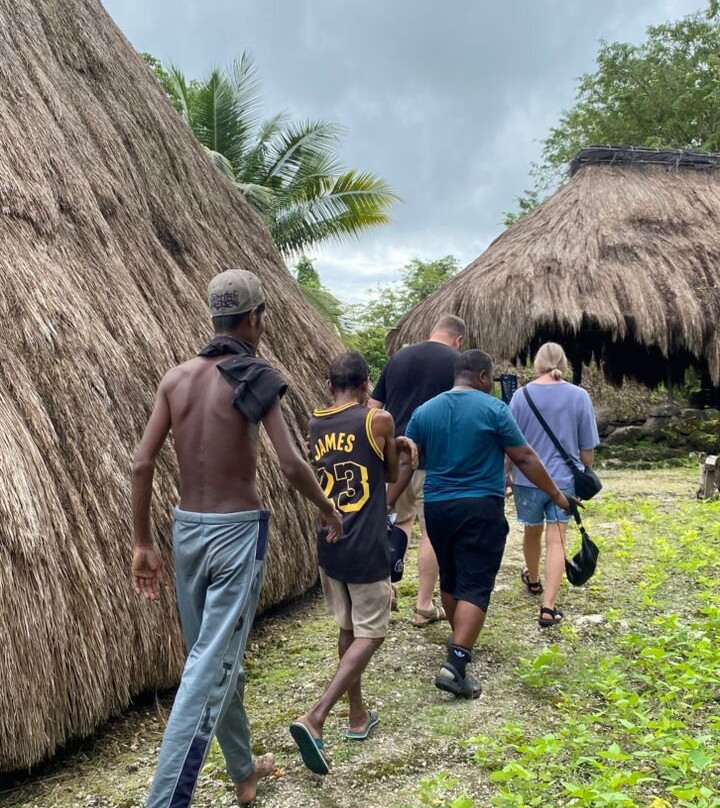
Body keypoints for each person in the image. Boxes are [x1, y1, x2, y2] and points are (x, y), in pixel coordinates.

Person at [131, 269, 342, 808]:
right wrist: (327, 508)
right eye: (262, 318)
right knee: (208, 666)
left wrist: (142, 543)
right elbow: (290, 464)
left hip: (186, 531)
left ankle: (244, 771)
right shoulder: (255, 377)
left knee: (215, 658)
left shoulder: (176, 379)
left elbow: (142, 462)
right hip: (236, 534)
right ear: (253, 318)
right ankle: (165, 800)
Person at [406, 350, 572, 699]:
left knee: (451, 577)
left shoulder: (424, 411)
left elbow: (408, 460)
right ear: (483, 376)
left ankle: (459, 641)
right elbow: (523, 456)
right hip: (480, 505)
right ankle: (456, 664)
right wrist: (557, 495)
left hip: (437, 507)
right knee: (476, 582)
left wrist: (389, 503)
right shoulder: (494, 409)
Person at [290, 352, 416, 775]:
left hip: (330, 540)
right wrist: (402, 449)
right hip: (366, 543)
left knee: (348, 628)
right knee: (372, 633)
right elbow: (389, 475)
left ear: (329, 385)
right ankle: (317, 716)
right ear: (366, 386)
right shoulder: (378, 420)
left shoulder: (315, 422)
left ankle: (357, 715)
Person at [369, 314, 465, 627]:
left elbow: (373, 407)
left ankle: (387, 589)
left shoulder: (399, 357)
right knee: (431, 532)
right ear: (458, 340)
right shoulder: (457, 363)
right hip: (433, 461)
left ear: (432, 331)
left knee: (397, 520)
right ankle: (423, 605)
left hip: (393, 460)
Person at [508, 342, 599, 627]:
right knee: (557, 539)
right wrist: (584, 472)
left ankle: (533, 579)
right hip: (564, 482)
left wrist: (506, 475)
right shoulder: (579, 396)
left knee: (531, 531)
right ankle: (548, 607)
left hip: (527, 480)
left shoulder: (520, 396)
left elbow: (509, 442)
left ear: (537, 364)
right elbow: (587, 451)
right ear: (564, 363)